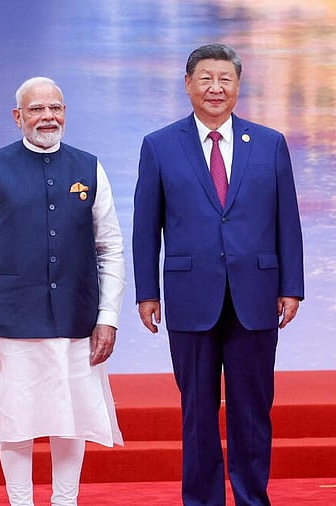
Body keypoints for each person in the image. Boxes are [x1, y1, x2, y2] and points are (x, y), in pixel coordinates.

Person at [132, 43, 304, 506]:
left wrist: (292, 286)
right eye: (205, 78)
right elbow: (146, 227)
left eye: (224, 79)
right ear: (188, 84)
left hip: (257, 295)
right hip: (190, 296)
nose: (215, 88)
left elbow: (287, 218)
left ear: (238, 85)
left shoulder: (269, 143)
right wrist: (146, 293)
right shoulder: (159, 145)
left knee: (252, 412)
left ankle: (252, 498)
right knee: (197, 414)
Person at [0, 76, 124, 506]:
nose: (48, 117)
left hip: (76, 319)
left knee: (73, 419)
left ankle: (65, 501)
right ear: (18, 117)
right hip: (10, 321)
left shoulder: (89, 167)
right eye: (37, 109)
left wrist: (108, 317)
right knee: (16, 420)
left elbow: (111, 248)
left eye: (56, 108)